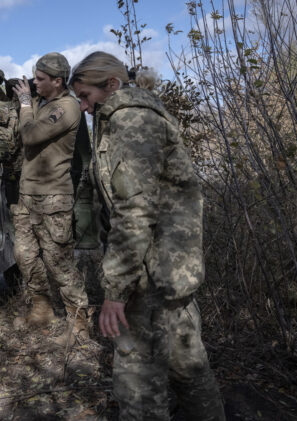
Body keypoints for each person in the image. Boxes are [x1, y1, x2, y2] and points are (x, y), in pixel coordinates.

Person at [69, 51, 225, 420]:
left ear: (110, 85)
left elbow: (134, 211)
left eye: (86, 97)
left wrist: (116, 292)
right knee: (187, 364)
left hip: (151, 276)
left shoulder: (131, 121)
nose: (84, 107)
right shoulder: (129, 116)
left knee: (138, 387)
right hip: (169, 268)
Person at [10, 52, 90, 343]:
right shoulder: (45, 104)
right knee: (25, 257)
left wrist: (25, 103)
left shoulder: (67, 107)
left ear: (58, 81)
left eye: (40, 79)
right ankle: (42, 310)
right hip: (27, 196)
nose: (34, 83)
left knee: (60, 265)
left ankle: (79, 326)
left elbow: (30, 135)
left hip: (53, 200)